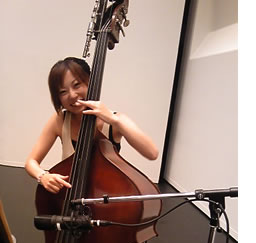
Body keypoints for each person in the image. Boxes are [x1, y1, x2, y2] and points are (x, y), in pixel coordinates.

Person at [25, 57, 159, 194]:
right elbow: (31, 162)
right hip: (70, 197)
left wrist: (115, 120)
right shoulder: (60, 120)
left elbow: (152, 153)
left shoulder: (115, 120)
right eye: (63, 92)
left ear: (90, 82)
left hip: (106, 197)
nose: (72, 95)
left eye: (77, 85)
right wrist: (43, 176)